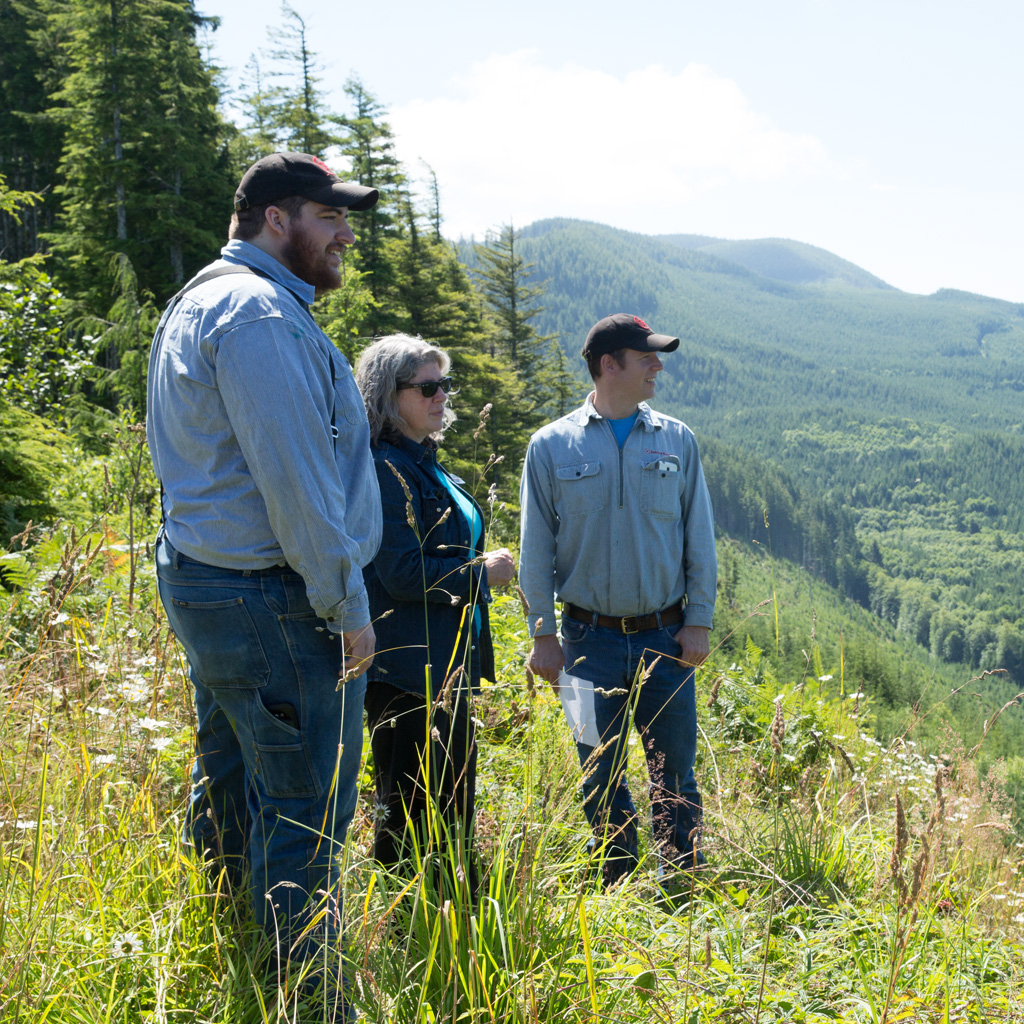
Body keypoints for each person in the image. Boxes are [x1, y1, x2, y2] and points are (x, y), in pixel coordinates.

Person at [147, 152, 382, 1004]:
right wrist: (347, 603)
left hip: (214, 584)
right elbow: (296, 478)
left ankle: (235, 958)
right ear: (276, 220)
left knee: (235, 778)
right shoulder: (255, 315)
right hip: (277, 599)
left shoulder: (203, 301)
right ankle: (309, 1001)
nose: (344, 234)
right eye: (329, 217)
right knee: (306, 811)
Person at [518, 313, 717, 885]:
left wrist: (697, 621)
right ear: (610, 365)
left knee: (675, 772)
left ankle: (681, 878)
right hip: (583, 642)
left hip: (666, 637)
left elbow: (698, 538)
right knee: (596, 771)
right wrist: (543, 635)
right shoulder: (550, 446)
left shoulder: (677, 440)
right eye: (646, 357)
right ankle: (619, 883)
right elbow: (536, 550)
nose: (658, 366)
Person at [354, 335, 514, 901]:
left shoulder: (421, 463)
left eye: (444, 385)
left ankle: (443, 918)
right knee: (410, 805)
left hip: (441, 666)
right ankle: (408, 927)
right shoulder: (384, 467)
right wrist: (480, 573)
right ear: (387, 394)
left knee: (448, 801)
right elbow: (398, 572)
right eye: (427, 387)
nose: (442, 396)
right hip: (406, 670)